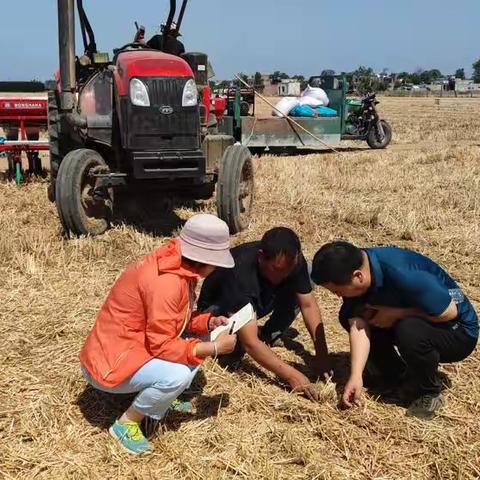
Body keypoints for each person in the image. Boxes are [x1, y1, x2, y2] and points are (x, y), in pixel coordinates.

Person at [79, 214, 237, 455]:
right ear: (204, 258)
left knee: (203, 339)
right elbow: (162, 345)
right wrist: (214, 349)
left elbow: (174, 319)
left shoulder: (176, 265)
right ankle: (126, 424)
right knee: (179, 374)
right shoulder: (168, 283)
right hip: (108, 365)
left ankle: (160, 396)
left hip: (125, 348)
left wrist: (208, 322)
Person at [311, 241, 478, 419]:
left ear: (358, 276)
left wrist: (397, 314)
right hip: (419, 318)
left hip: (458, 332)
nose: (338, 296)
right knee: (353, 314)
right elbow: (358, 325)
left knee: (409, 330)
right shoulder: (357, 268)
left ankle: (428, 392)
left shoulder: (406, 274)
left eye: (338, 291)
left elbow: (449, 312)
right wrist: (356, 375)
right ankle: (394, 376)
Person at [198, 227, 332, 401]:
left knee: (303, 279)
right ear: (261, 256)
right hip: (218, 311)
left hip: (258, 299)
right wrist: (292, 375)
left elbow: (308, 305)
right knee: (233, 349)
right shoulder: (239, 272)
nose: (284, 275)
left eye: (288, 271)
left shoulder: (290, 263)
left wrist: (322, 353)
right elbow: (251, 344)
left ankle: (268, 335)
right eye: (277, 270)